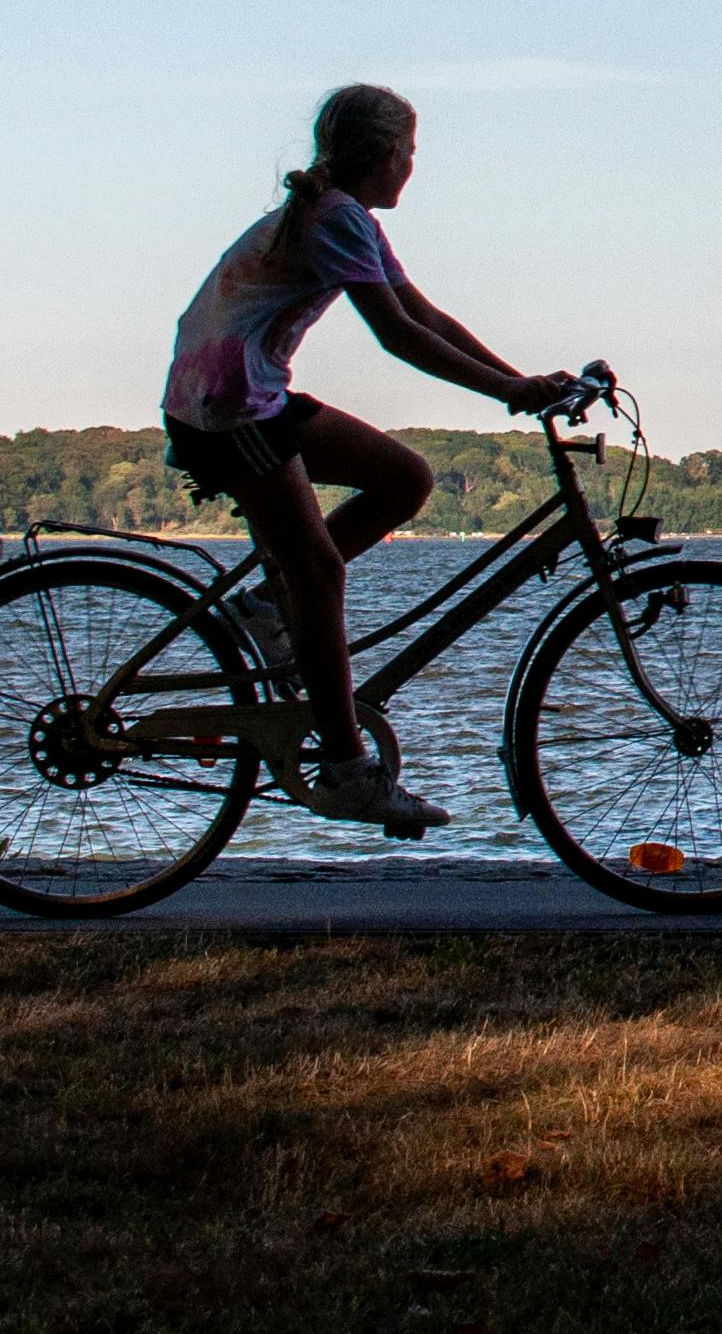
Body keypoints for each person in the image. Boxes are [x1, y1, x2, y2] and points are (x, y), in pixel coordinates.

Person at [160, 84, 572, 835]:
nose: (413, 166)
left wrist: (521, 383)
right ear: (387, 155)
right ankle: (349, 771)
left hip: (247, 394)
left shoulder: (346, 215)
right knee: (318, 571)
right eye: (410, 153)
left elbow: (423, 312)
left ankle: (260, 607)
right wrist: (508, 391)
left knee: (404, 477)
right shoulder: (336, 216)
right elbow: (399, 337)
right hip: (225, 406)